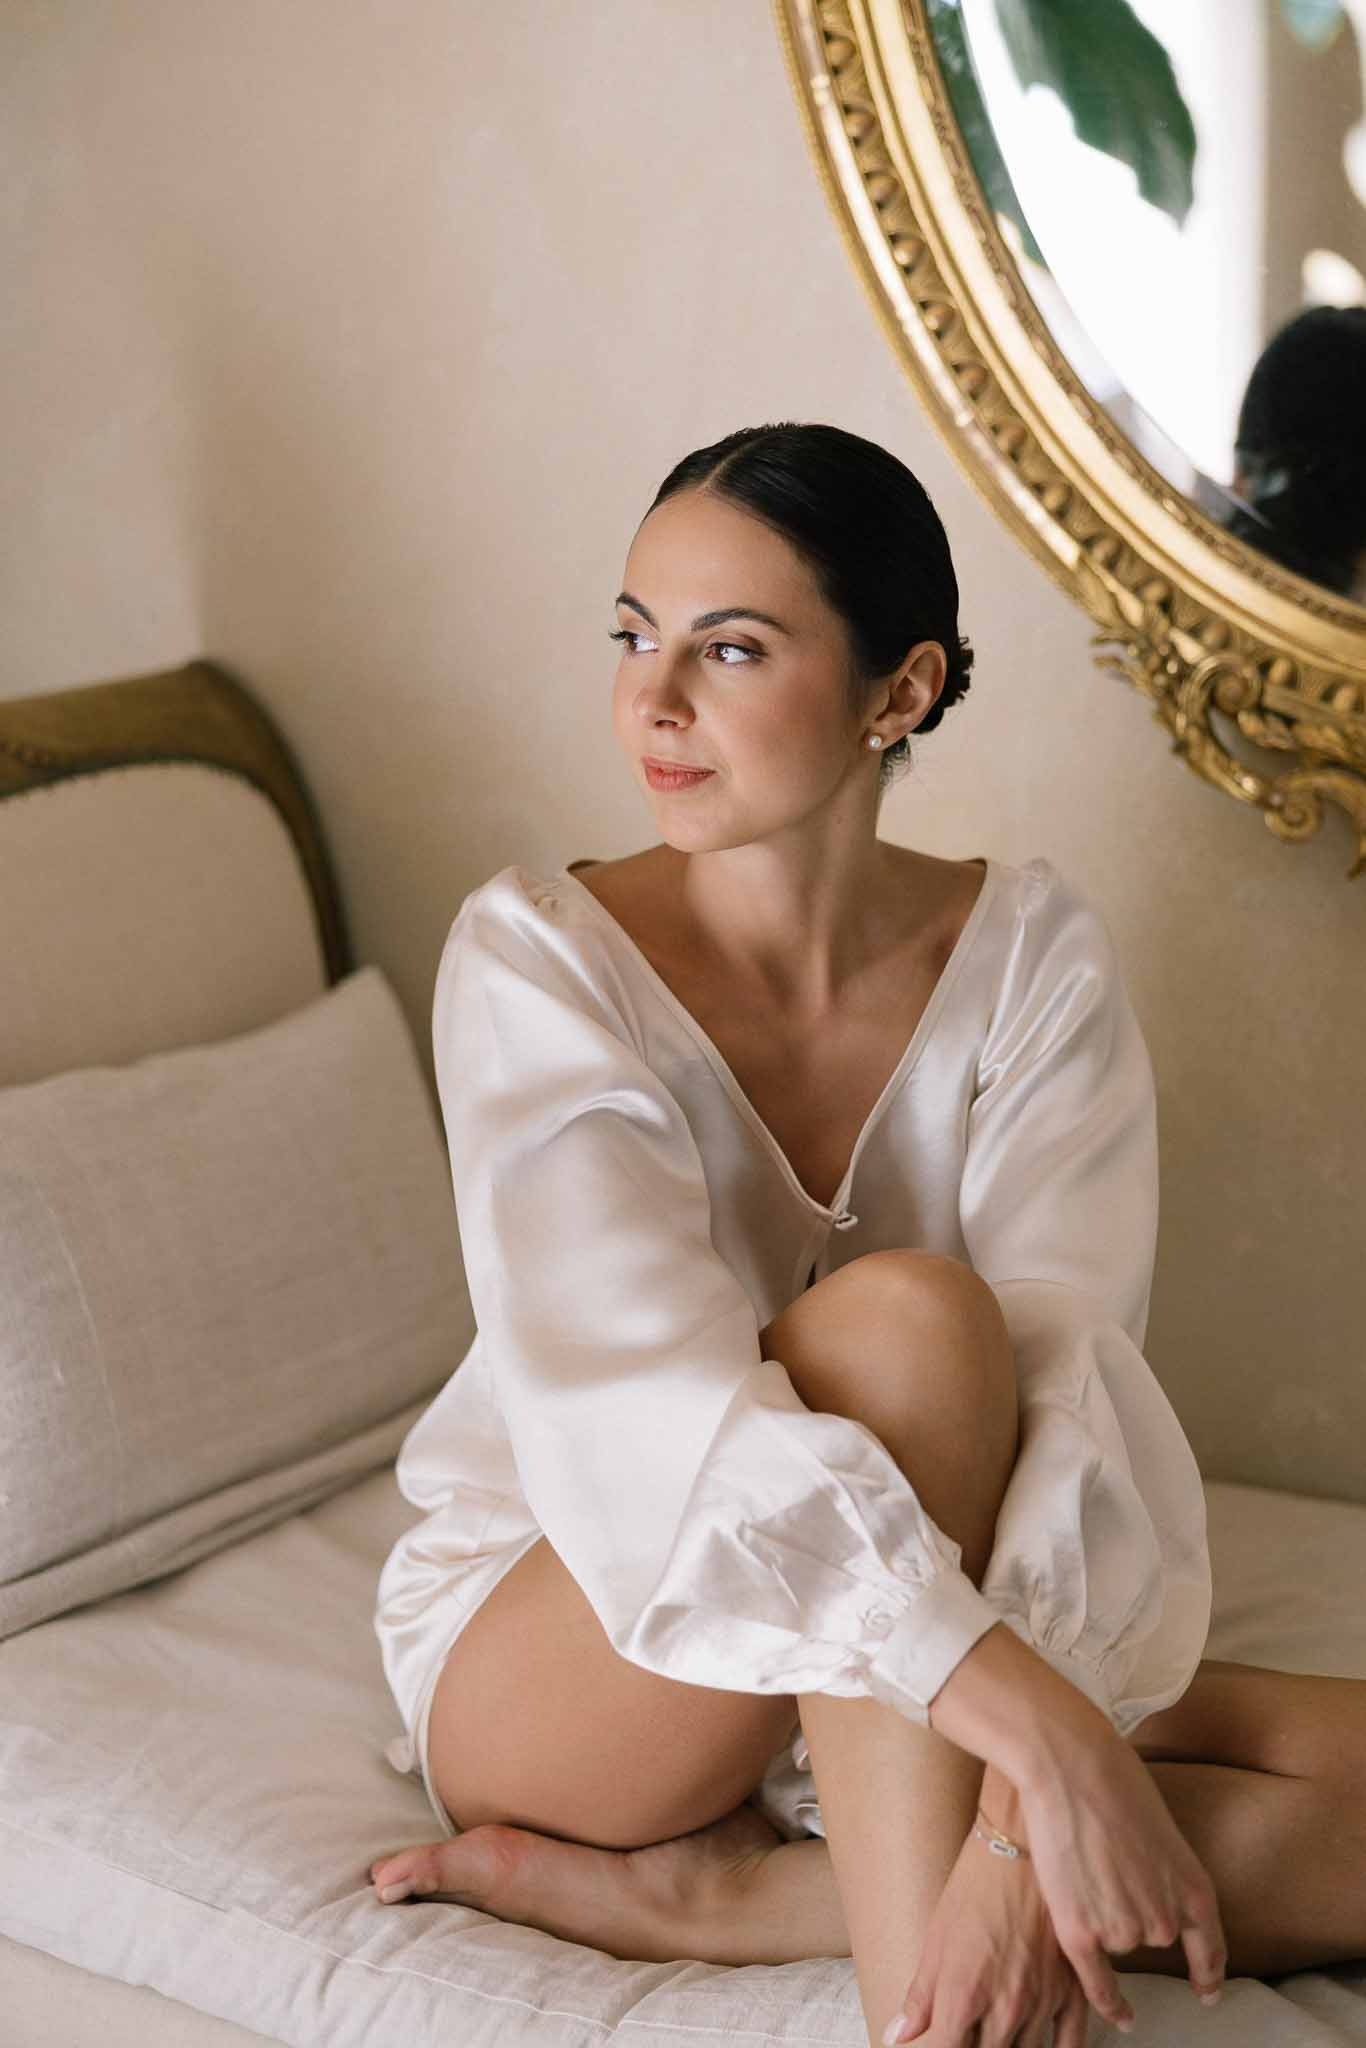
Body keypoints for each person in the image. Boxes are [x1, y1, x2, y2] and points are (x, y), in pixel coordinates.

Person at [369, 423, 1366, 2048]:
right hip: (593, 1632)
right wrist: (1028, 1734)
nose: (652, 701)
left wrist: (1002, 1829)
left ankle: (747, 1898)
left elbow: (1073, 1386)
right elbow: (645, 1424)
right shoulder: (534, 962)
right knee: (908, 1325)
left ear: (896, 693)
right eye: (633, 636)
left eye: (731, 648)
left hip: (910, 1631)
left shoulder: (1030, 952)